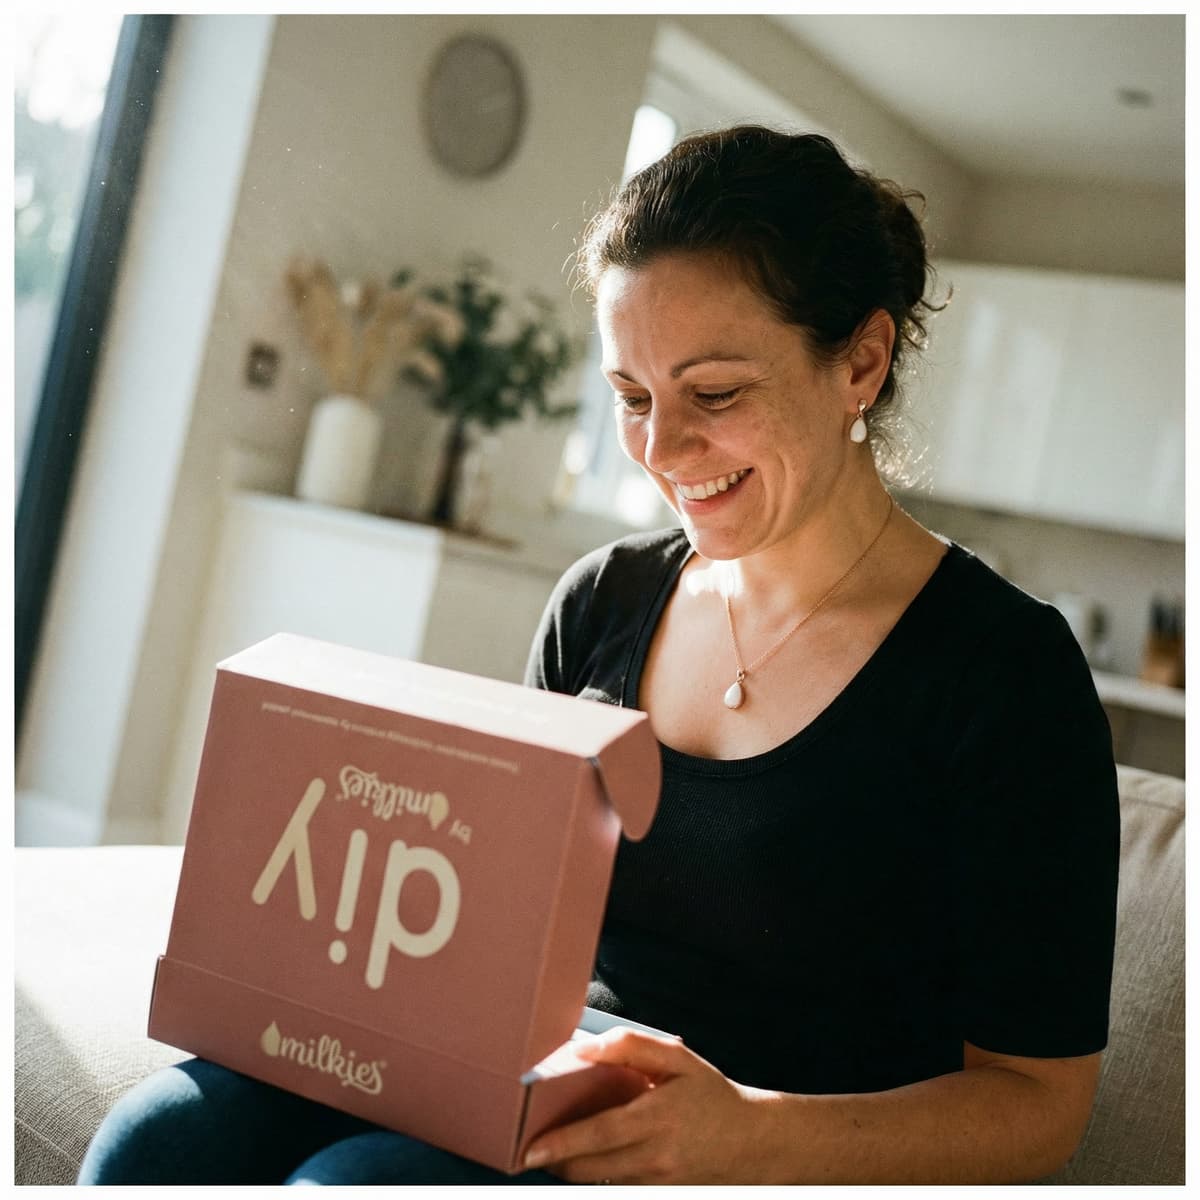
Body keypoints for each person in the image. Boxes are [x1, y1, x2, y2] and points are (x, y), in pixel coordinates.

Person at [79, 125, 1119, 1186]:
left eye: (715, 395)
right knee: (156, 1141)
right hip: (538, 1081)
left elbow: (1041, 1106)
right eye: (632, 398)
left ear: (860, 360)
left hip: (750, 1155)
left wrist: (749, 1136)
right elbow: (495, 932)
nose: (661, 453)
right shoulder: (604, 600)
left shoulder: (1004, 675)